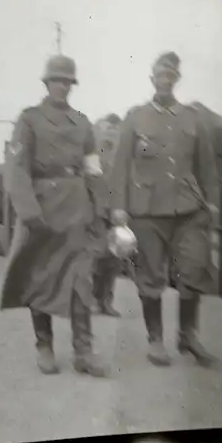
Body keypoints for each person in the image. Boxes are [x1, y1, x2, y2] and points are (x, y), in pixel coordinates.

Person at [0, 54, 108, 377]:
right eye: (57, 80)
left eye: (67, 81)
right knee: (40, 277)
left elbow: (93, 169)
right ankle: (44, 345)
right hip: (42, 209)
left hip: (77, 209)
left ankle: (83, 352)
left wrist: (101, 207)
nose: (62, 86)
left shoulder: (83, 123)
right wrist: (29, 212)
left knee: (81, 279)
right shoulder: (29, 119)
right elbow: (16, 169)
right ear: (46, 83)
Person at [109, 52, 220, 367]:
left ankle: (187, 335)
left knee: (193, 269)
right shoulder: (136, 118)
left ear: (176, 80)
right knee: (151, 275)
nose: (165, 81)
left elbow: (207, 168)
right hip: (146, 211)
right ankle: (155, 339)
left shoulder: (192, 118)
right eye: (160, 76)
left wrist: (211, 204)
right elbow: (119, 167)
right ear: (152, 79)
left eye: (171, 76)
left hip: (188, 208)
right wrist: (118, 207)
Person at [91, 113, 122, 316]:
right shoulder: (91, 159)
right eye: (106, 131)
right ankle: (93, 300)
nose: (109, 135)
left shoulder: (122, 161)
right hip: (96, 215)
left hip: (118, 216)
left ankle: (107, 301)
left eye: (113, 131)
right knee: (96, 259)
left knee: (114, 261)